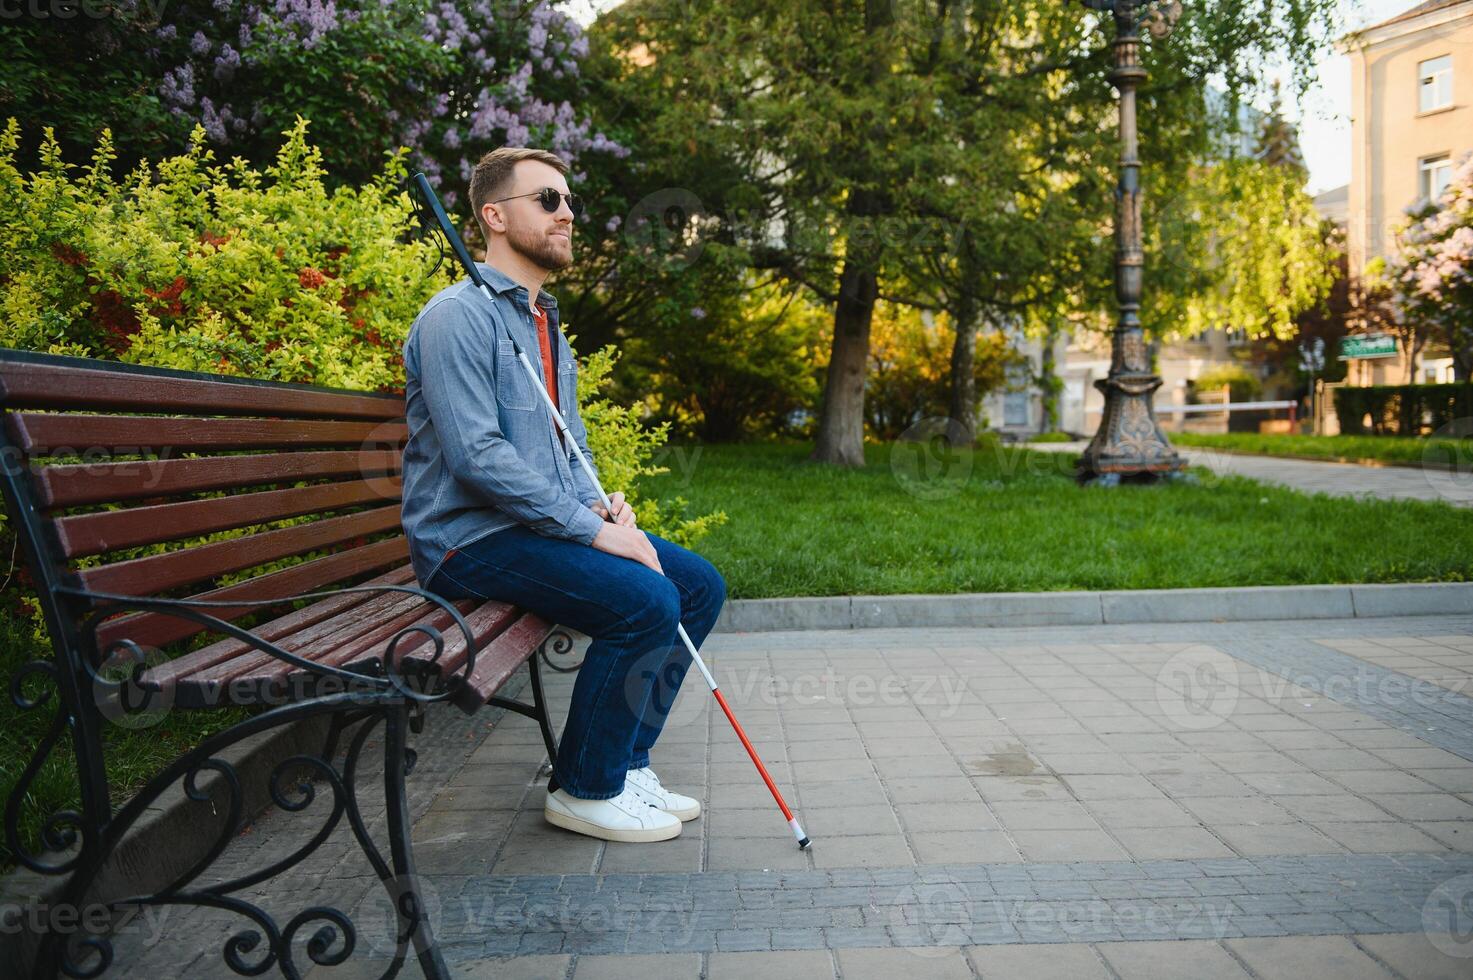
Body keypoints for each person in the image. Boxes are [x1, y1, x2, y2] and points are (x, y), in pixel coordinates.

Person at [400, 147, 726, 843]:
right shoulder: (457, 317)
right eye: (547, 200)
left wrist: (599, 503)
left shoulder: (542, 323)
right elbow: (476, 458)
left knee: (695, 585)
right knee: (644, 600)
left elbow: (564, 440)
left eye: (567, 201)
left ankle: (624, 763)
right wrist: (588, 531)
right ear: (493, 216)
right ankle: (582, 788)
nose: (567, 213)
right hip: (465, 539)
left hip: (529, 527)